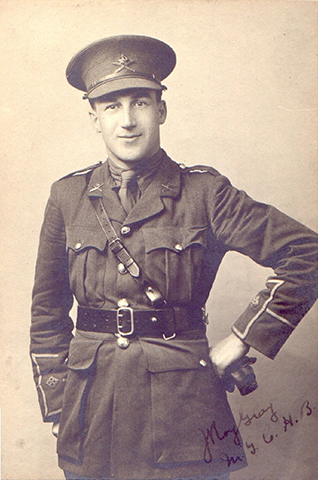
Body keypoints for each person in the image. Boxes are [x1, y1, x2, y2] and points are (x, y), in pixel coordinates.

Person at [30, 35, 318, 480]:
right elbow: (46, 313)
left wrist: (243, 338)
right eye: (111, 106)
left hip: (184, 413)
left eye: (140, 103)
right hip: (90, 414)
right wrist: (57, 406)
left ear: (161, 109)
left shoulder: (205, 193)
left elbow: (307, 253)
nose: (127, 121)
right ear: (93, 118)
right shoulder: (67, 196)